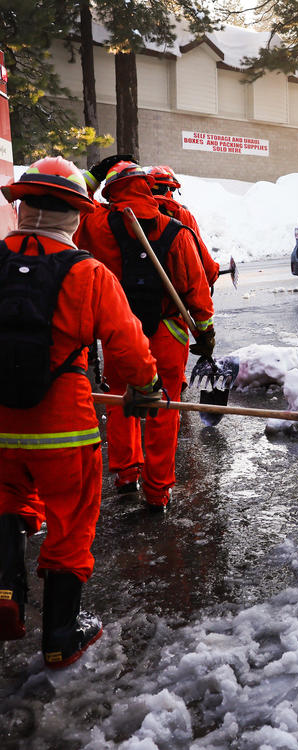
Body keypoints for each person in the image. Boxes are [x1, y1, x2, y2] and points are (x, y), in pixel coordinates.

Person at [0, 157, 162, 667]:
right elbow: (128, 347)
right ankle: (60, 636)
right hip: (63, 430)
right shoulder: (88, 273)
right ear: (74, 216)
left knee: (5, 502)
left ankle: (5, 591)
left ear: (22, 207)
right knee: (71, 523)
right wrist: (147, 387)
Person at [75, 161, 215, 510]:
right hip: (168, 331)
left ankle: (126, 474)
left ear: (111, 193)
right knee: (164, 408)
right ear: (148, 188)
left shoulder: (95, 224)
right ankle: (157, 491)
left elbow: (76, 197)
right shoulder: (178, 229)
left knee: (122, 399)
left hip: (119, 332)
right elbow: (198, 288)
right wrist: (205, 332)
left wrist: (93, 174)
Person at [147, 165, 220, 289]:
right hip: (173, 289)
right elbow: (198, 251)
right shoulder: (180, 214)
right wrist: (212, 273)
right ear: (171, 188)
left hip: (132, 290)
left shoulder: (128, 214)